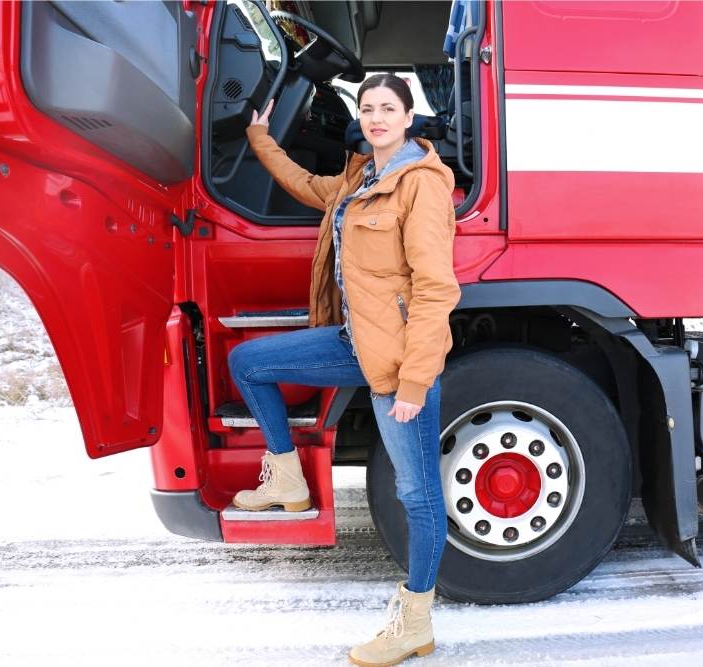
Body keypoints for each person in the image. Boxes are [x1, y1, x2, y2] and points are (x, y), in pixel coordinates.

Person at [228, 73, 460, 666]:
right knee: (248, 362)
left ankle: (414, 621)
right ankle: (287, 477)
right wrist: (260, 139)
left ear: (409, 118)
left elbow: (436, 288)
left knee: (418, 494)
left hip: (399, 358)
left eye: (389, 107)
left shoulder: (421, 185)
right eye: (368, 107)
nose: (377, 116)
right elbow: (305, 184)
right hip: (355, 340)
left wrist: (414, 382)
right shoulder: (361, 178)